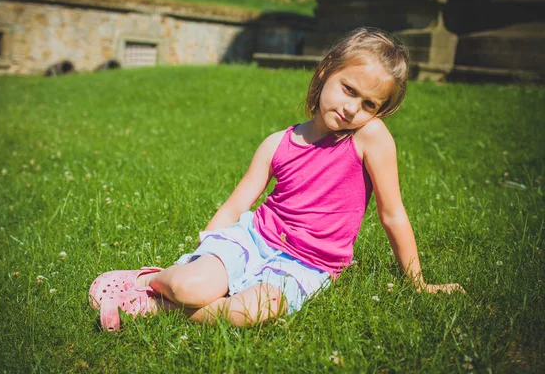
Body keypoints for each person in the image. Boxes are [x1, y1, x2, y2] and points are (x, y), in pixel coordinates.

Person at [89, 27, 465, 332]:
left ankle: (155, 308)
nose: (353, 108)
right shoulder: (277, 144)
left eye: (369, 104)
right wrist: (204, 254)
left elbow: (392, 214)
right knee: (191, 286)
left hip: (306, 265)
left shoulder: (369, 137)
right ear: (325, 72)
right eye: (349, 89)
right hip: (253, 239)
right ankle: (150, 281)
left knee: (249, 313)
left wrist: (417, 283)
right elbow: (238, 204)